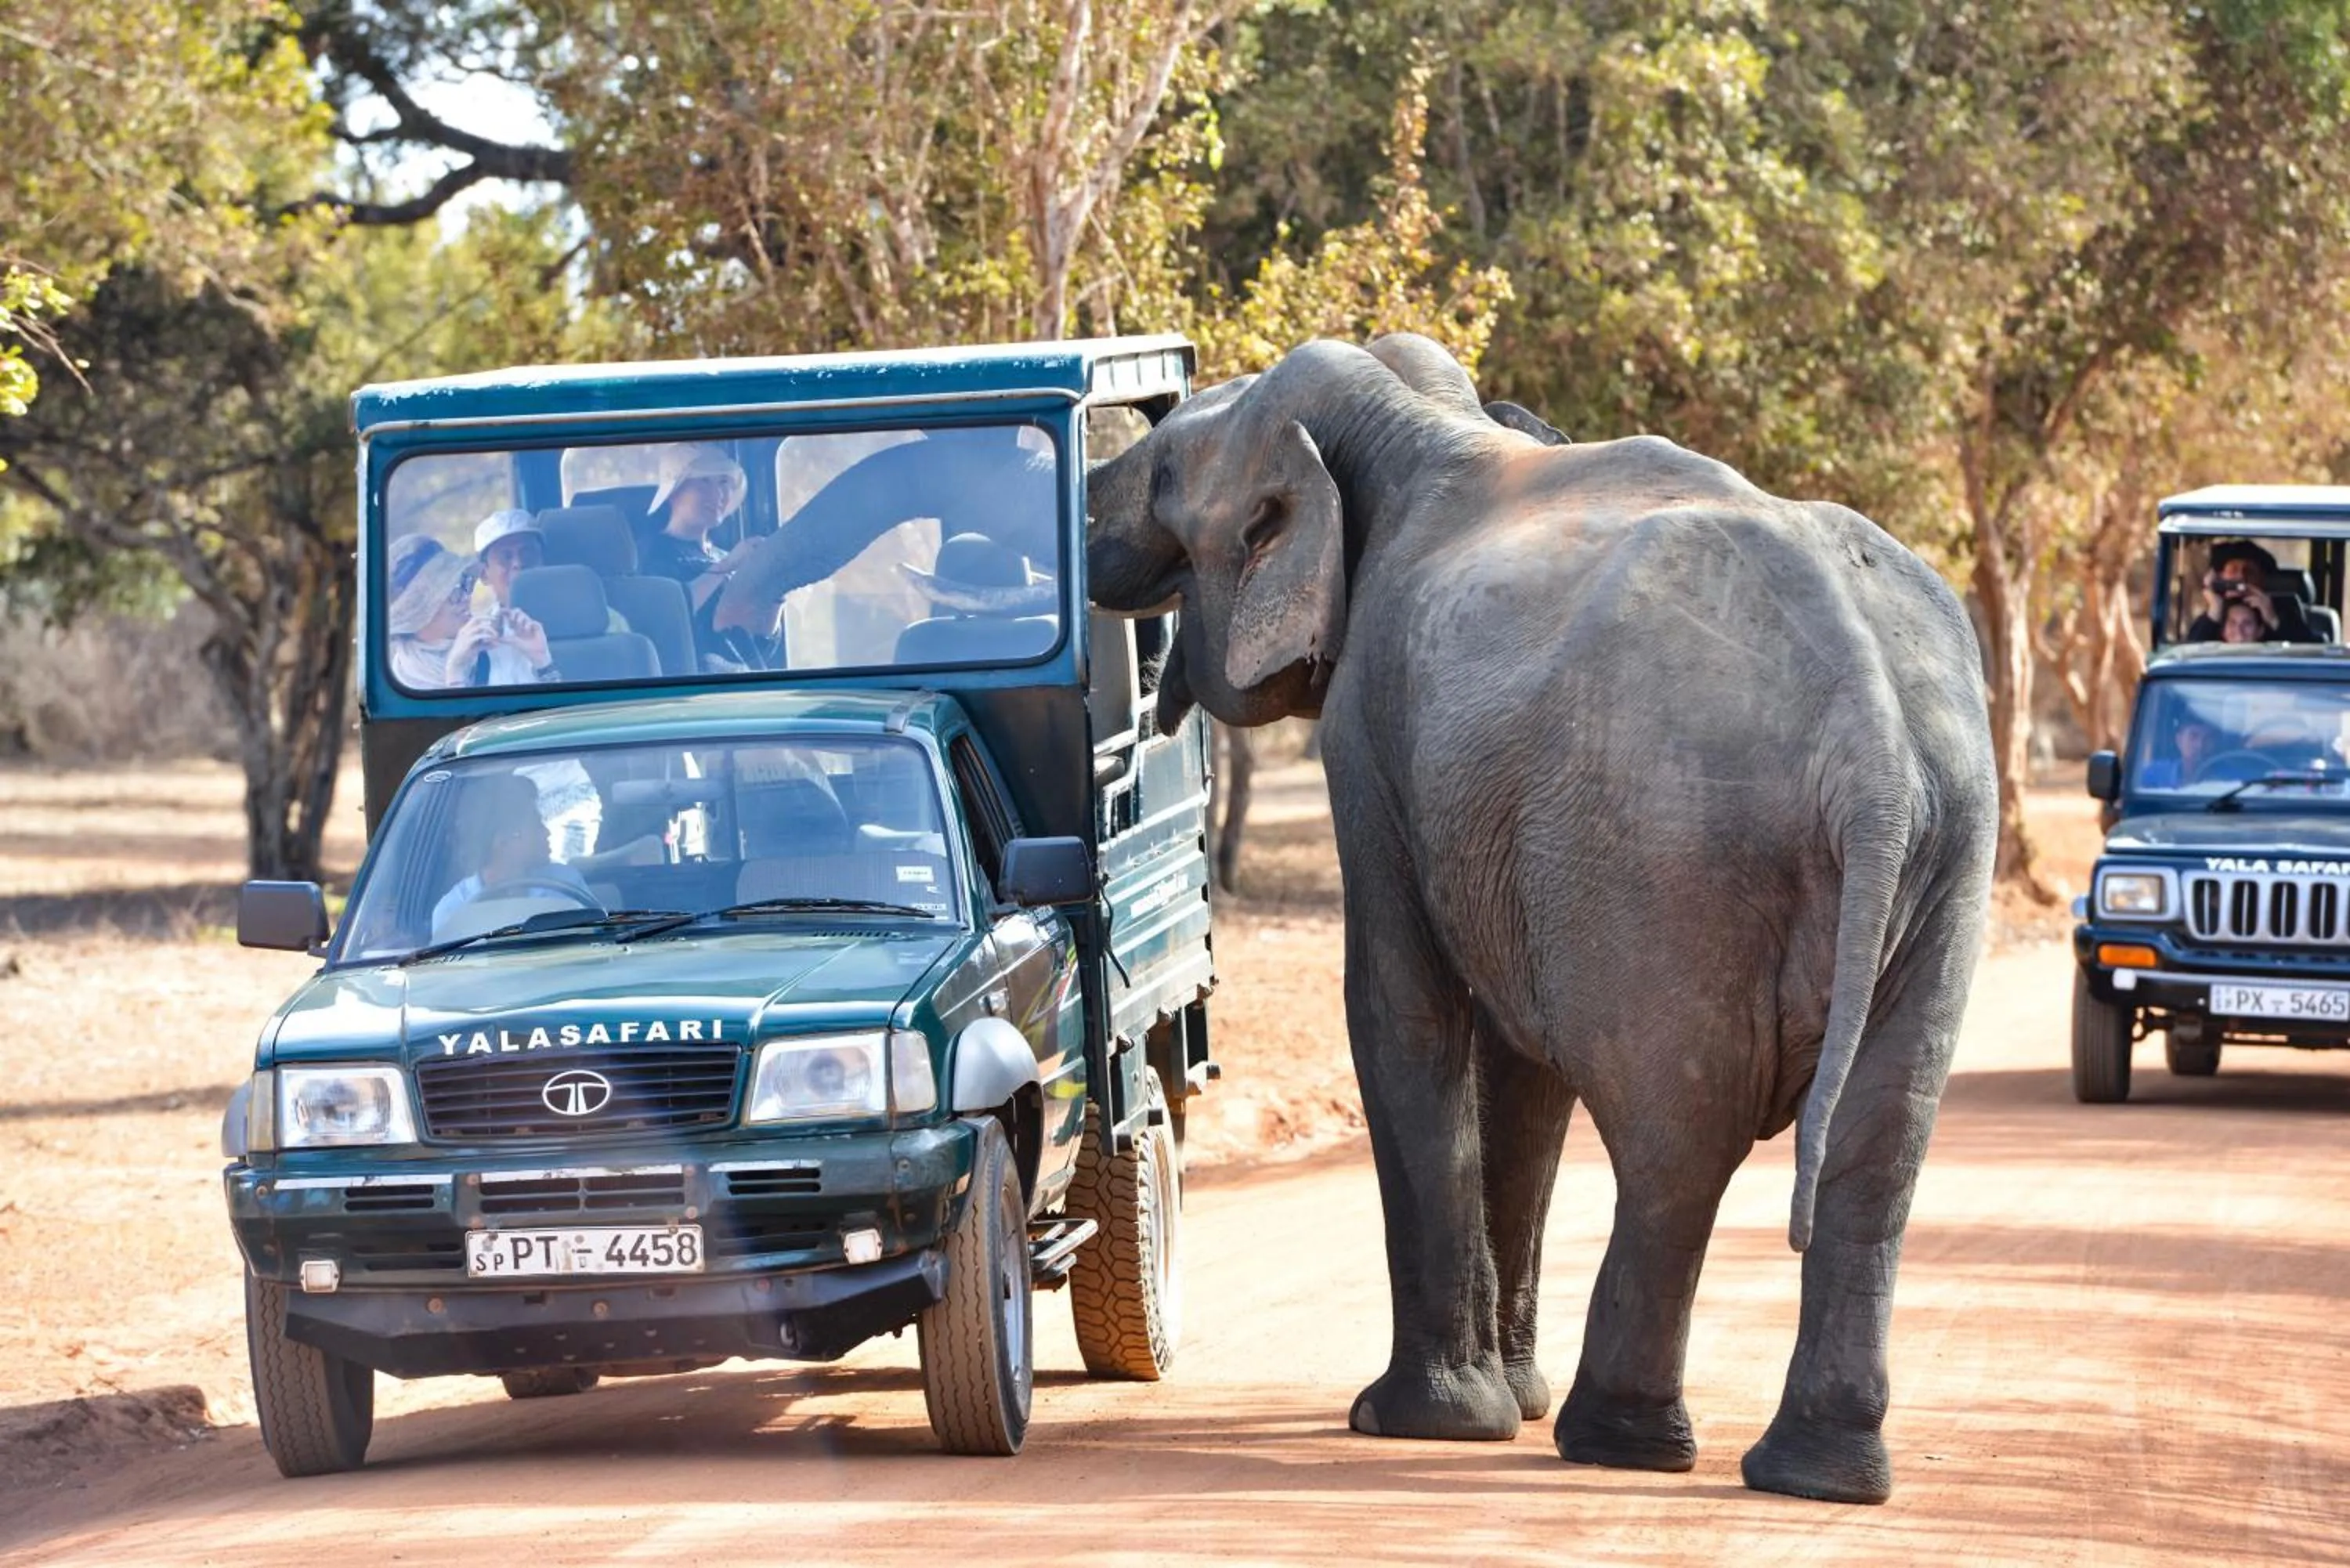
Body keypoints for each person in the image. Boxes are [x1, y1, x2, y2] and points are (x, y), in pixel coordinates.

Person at [634, 443, 766, 671]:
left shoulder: (725, 556)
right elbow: (666, 617)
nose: (718, 495)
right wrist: (725, 568)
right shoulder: (649, 554)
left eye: (723, 482)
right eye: (704, 481)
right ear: (674, 493)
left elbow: (756, 644)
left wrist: (778, 589)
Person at [429, 775, 597, 938]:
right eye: (536, 824)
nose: (546, 832)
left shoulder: (567, 883)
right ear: (503, 840)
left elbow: (597, 942)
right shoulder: (452, 912)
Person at [387, 534, 559, 691]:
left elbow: (549, 718)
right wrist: (455, 672)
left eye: (465, 584)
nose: (466, 598)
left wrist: (542, 661)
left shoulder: (498, 643)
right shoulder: (399, 684)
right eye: (453, 592)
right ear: (418, 613)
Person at [475, 508, 629, 634]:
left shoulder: (600, 620)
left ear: (544, 560)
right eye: (505, 557)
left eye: (528, 553)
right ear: (484, 574)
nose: (518, 563)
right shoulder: (480, 635)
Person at [2184, 540, 2319, 644]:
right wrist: (2214, 612)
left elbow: (2309, 652)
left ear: (2261, 579)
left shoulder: (2281, 609)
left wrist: (2273, 619)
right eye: (2234, 570)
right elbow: (2189, 659)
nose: (2241, 577)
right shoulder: (2215, 611)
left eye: (2250, 571)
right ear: (2222, 576)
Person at [2138, 715, 2221, 789]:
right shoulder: (2154, 775)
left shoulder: (2228, 780)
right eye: (2193, 737)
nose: (2200, 745)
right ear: (2179, 740)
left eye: (2208, 739)